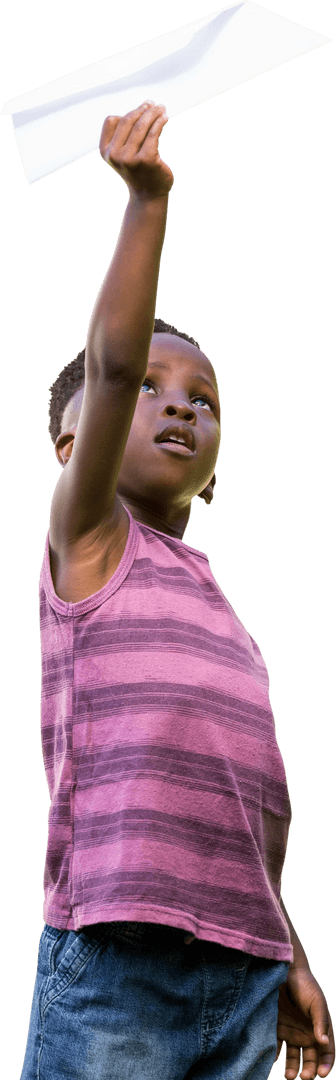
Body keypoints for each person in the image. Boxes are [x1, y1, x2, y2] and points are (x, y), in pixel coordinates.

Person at [20, 101, 334, 1080]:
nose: (180, 407)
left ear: (217, 468)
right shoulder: (89, 546)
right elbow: (109, 364)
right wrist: (148, 202)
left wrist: (291, 958)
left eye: (205, 401)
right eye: (151, 390)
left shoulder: (228, 620)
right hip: (118, 967)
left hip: (243, 980)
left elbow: (248, 813)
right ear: (76, 442)